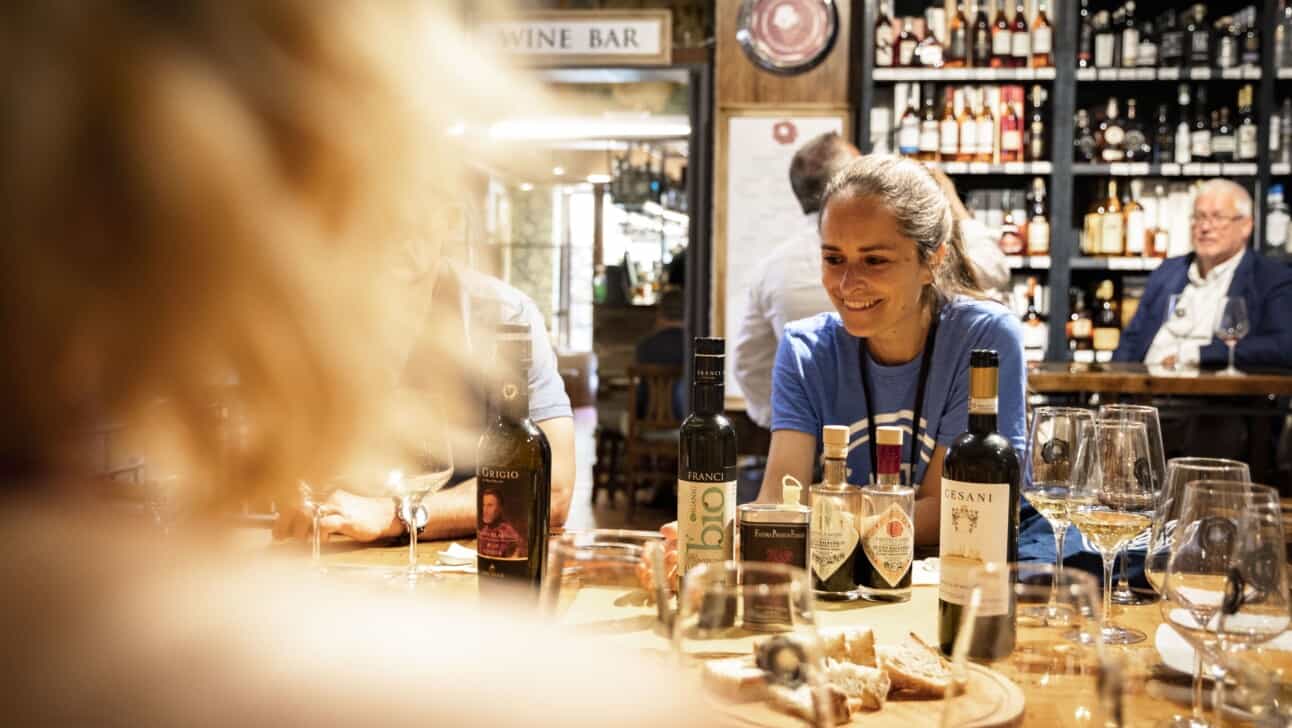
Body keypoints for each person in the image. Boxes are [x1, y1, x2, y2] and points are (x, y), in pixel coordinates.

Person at [0, 2, 703, 724]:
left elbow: (551, 494)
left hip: (427, 596)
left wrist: (397, 515)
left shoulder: (498, 316)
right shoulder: (291, 328)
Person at [758, 155, 1028, 546]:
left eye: (875, 260)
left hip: (951, 582)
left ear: (931, 260)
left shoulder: (984, 338)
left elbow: (952, 510)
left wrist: (825, 517)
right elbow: (781, 498)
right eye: (834, 259)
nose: (849, 283)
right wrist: (713, 540)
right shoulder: (804, 350)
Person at [271, 253, 577, 545]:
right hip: (328, 553)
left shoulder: (505, 315)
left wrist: (394, 514)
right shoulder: (299, 311)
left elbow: (553, 489)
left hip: (462, 567)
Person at [733, 132, 860, 430]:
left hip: (803, 436)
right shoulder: (889, 257)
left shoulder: (771, 268)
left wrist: (789, 422)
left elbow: (748, 363)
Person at [1115, 179, 1292, 369]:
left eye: (1217, 217)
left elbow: (1283, 346)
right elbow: (1130, 342)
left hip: (1215, 394)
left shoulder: (1270, 277)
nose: (1205, 228)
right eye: (1199, 217)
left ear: (1246, 226)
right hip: (1144, 391)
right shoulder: (1167, 271)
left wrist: (1198, 355)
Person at [477, 488, 524, 559]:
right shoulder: (483, 532)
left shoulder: (509, 534)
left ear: (500, 508)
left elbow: (516, 556)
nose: (485, 510)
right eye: (484, 505)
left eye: (490, 505)